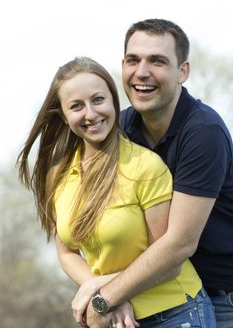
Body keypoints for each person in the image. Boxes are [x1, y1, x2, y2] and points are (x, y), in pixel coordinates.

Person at [16, 56, 216, 328]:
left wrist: (104, 294)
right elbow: (67, 253)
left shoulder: (145, 167)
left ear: (113, 100)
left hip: (175, 312)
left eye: (98, 100)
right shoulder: (59, 175)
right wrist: (101, 292)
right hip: (112, 317)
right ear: (63, 115)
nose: (91, 113)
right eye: (76, 106)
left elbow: (169, 262)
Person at [74, 19, 233, 328]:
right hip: (152, 288)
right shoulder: (119, 129)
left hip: (219, 295)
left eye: (157, 61)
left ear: (182, 71)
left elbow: (179, 244)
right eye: (133, 60)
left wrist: (105, 298)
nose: (142, 72)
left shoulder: (203, 132)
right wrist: (106, 290)